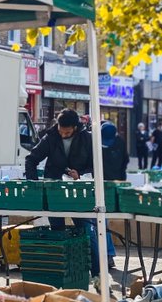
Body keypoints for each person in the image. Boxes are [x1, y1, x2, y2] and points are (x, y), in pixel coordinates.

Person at [25, 109, 112, 273]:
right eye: (61, 131)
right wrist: (34, 185)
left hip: (79, 192)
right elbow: (31, 159)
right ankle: (63, 271)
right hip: (55, 192)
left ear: (75, 128)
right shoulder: (50, 137)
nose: (63, 134)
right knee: (57, 232)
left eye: (67, 132)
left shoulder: (87, 139)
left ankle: (97, 273)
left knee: (86, 231)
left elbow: (98, 164)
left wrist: (80, 174)